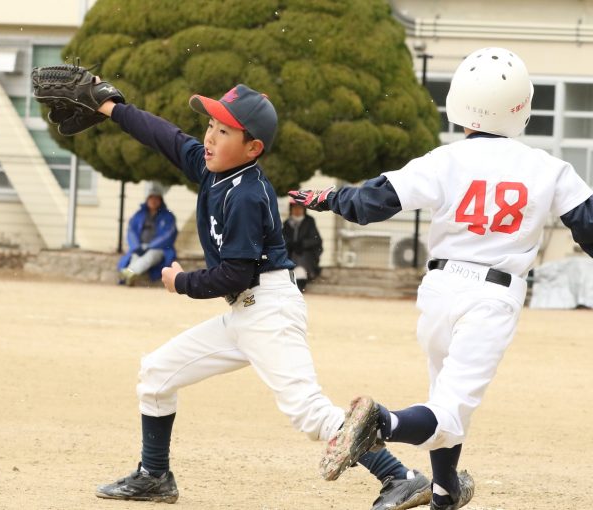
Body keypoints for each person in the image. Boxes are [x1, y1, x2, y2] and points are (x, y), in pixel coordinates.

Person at [289, 47, 593, 510]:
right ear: (521, 108)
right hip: (491, 296)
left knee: (444, 400)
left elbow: (378, 199)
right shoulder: (546, 167)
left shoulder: (443, 160)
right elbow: (589, 220)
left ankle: (445, 493)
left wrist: (330, 198)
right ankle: (380, 423)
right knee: (448, 412)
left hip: (439, 290)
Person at [90, 83, 433, 509]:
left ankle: (401, 477)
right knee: (156, 374)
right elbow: (167, 137)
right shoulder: (213, 168)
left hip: (268, 310)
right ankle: (154, 476)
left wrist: (182, 282)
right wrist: (112, 108)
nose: (210, 137)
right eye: (211, 125)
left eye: (224, 131)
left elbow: (234, 274)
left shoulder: (249, 193)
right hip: (245, 314)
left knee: (308, 412)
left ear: (252, 148)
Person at [118, 185, 178, 286]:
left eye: (156, 198)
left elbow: (168, 235)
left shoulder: (168, 216)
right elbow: (131, 231)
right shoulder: (138, 215)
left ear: (160, 200)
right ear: (147, 199)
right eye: (151, 197)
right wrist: (136, 247)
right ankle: (130, 276)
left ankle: (128, 273)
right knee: (135, 257)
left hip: (160, 249)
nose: (153, 201)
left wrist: (151, 246)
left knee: (150, 257)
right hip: (139, 247)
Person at [283, 200, 323, 292]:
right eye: (294, 208)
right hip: (291, 255)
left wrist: (302, 244)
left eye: (299, 208)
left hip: (307, 256)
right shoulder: (287, 223)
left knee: (301, 258)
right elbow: (283, 240)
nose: (297, 210)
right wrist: (291, 244)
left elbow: (316, 240)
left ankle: (301, 281)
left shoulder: (309, 222)